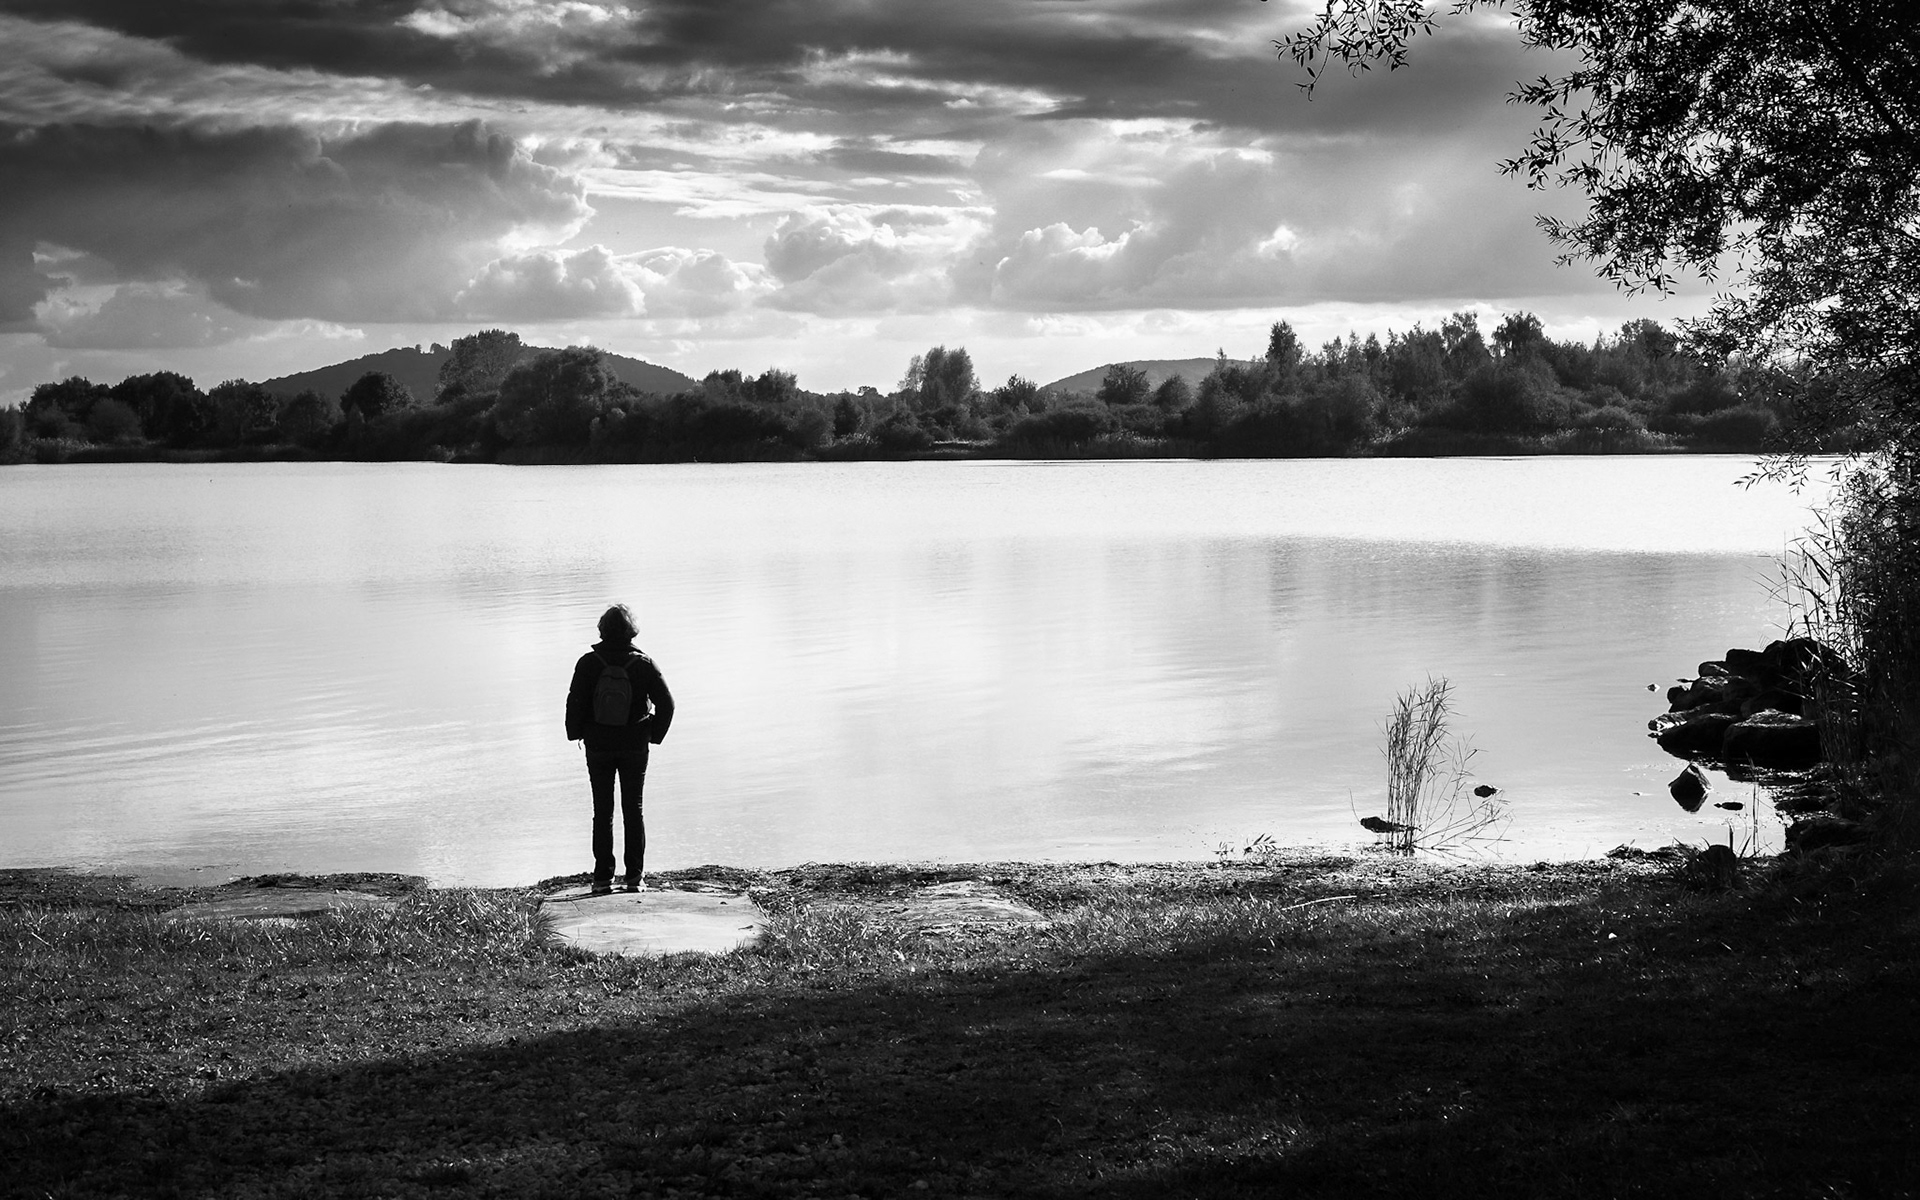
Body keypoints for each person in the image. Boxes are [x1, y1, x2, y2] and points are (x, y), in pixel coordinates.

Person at [565, 604, 674, 895]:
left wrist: (576, 733)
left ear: (602, 630)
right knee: (633, 810)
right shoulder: (644, 663)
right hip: (634, 744)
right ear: (631, 631)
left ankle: (602, 879)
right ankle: (634, 879)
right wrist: (653, 734)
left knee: (602, 811)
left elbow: (574, 702)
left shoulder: (588, 662)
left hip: (598, 744)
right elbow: (668, 704)